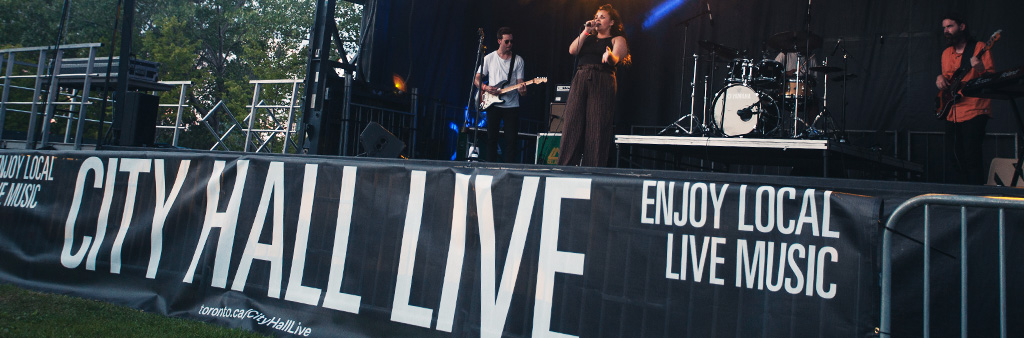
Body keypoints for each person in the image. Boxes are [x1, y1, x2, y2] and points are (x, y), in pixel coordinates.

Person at [558, 4, 630, 167]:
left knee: (597, 125)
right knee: (572, 122)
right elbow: (572, 50)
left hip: (602, 78)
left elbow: (616, 58)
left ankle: (593, 169)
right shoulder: (588, 37)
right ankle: (565, 167)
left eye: (602, 17)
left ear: (611, 22)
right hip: (581, 76)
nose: (597, 19)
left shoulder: (617, 39)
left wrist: (609, 56)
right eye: (596, 16)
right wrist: (586, 31)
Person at [935, 14, 994, 184]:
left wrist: (981, 68)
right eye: (944, 28)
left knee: (971, 155)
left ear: (962, 27)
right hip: (952, 111)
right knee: (955, 157)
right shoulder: (946, 53)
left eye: (950, 26)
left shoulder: (980, 47)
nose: (946, 31)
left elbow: (991, 78)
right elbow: (948, 79)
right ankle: (961, 196)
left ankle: (976, 199)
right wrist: (940, 78)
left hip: (975, 109)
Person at [475, 27, 526, 163]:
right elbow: (476, 79)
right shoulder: (489, 58)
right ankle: (490, 168)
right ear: (499, 41)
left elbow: (520, 82)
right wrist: (486, 87)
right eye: (507, 42)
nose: (510, 44)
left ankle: (508, 170)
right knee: (492, 138)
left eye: (511, 42)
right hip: (493, 103)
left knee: (511, 140)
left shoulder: (518, 60)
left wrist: (522, 90)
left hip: (512, 105)